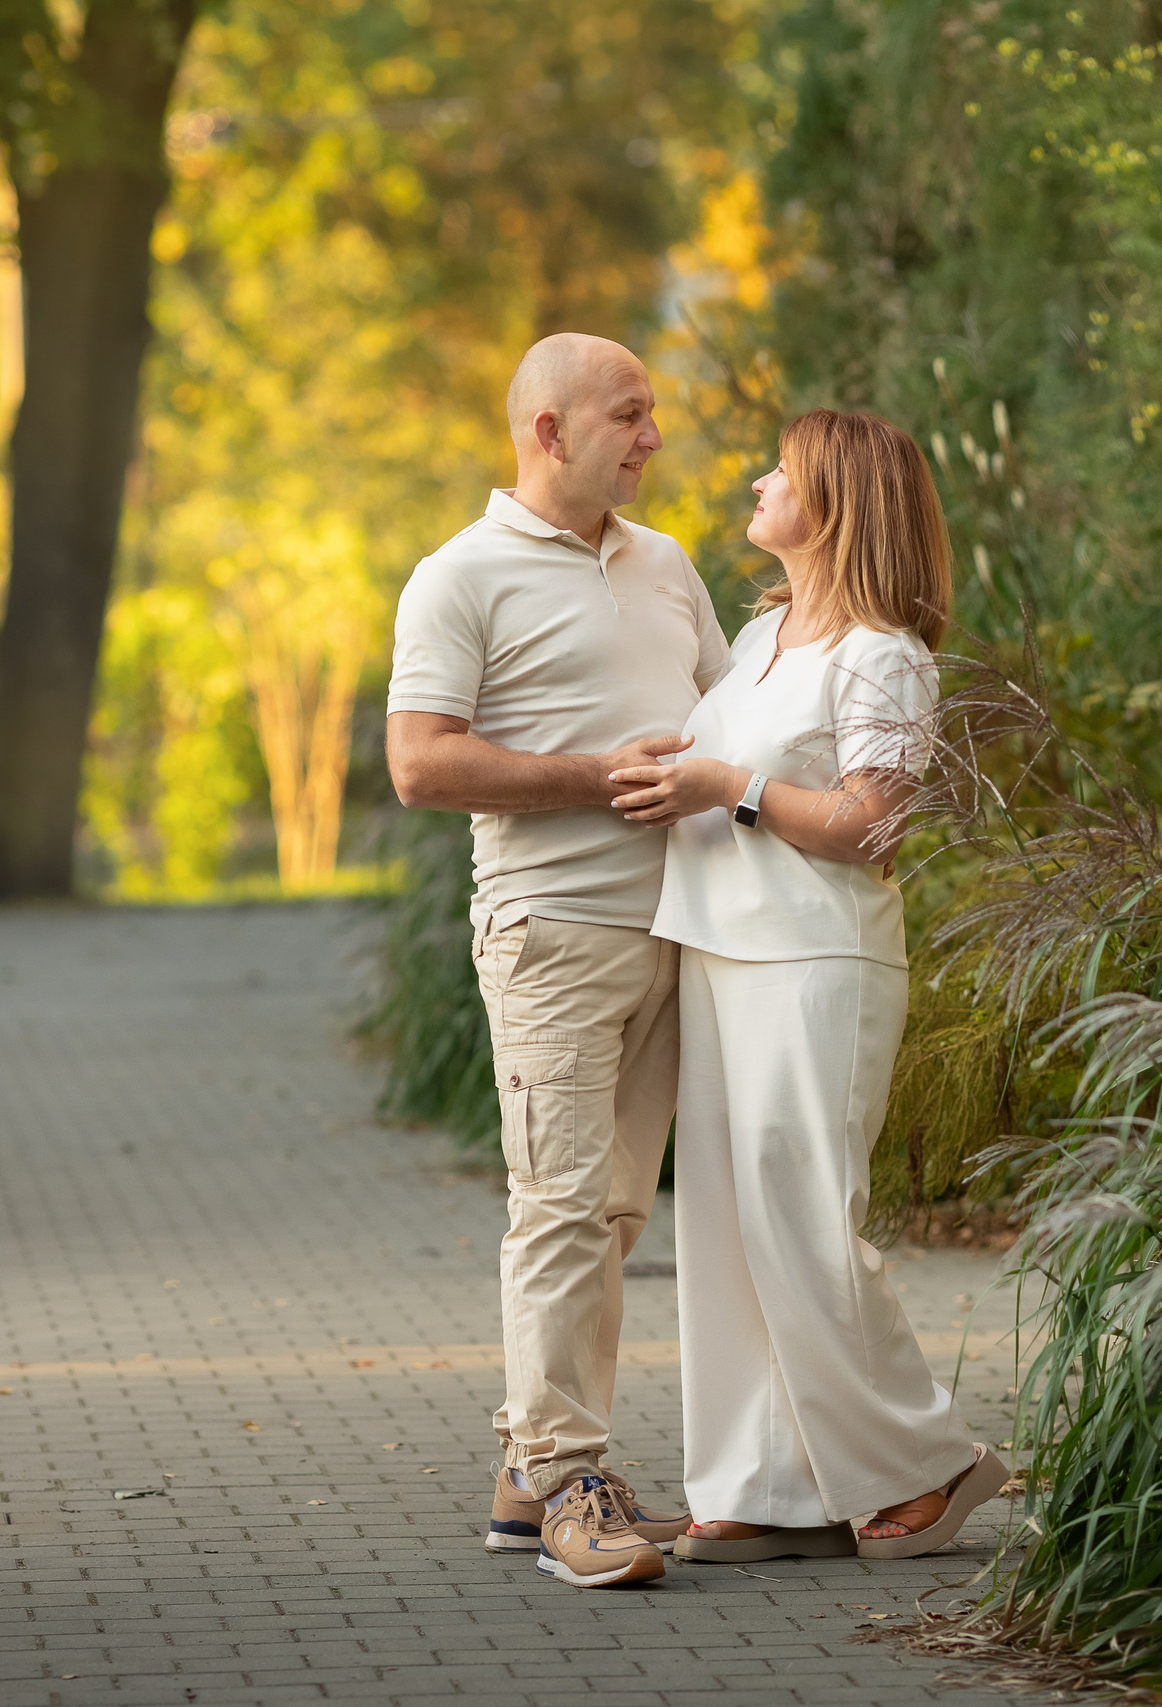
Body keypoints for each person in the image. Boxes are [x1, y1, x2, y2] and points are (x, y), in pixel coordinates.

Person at [605, 409, 1007, 1564]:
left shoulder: (887, 655)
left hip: (815, 959)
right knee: (727, 1228)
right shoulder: (759, 633)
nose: (757, 481)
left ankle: (928, 1462)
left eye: (780, 472)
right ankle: (762, 1484)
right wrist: (670, 770)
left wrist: (725, 787)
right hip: (717, 950)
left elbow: (871, 824)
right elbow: (721, 768)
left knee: (804, 1223)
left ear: (834, 504)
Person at [386, 333, 731, 1589]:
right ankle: (570, 1476)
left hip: (679, 933)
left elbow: (729, 709)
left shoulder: (667, 562)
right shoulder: (458, 576)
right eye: (628, 415)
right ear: (549, 430)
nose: (652, 437)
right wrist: (595, 779)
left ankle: (528, 1477)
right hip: (550, 937)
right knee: (561, 1208)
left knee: (613, 1213)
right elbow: (419, 763)